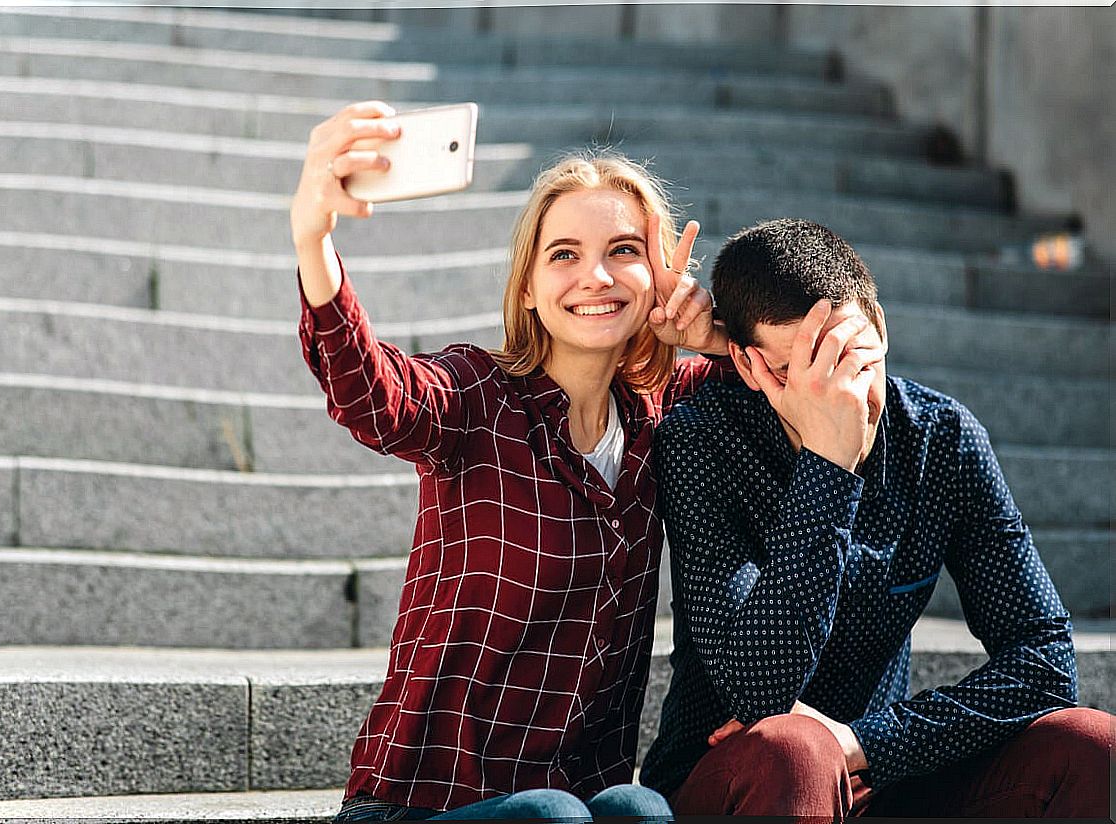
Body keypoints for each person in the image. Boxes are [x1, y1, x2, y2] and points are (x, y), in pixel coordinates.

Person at [290, 101, 735, 820]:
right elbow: (375, 395)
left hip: (585, 800)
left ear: (657, 275)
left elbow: (794, 378)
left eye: (623, 251)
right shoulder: (475, 393)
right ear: (528, 287)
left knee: (641, 810)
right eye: (564, 254)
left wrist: (713, 336)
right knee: (550, 817)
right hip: (423, 803)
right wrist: (314, 241)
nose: (595, 275)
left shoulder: (666, 415)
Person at [640, 218, 1112, 818]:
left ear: (881, 328)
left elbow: (1045, 662)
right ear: (748, 365)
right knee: (796, 751)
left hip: (884, 771)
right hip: (739, 779)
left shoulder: (941, 440)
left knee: (1092, 747)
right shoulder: (702, 440)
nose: (840, 397)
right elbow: (759, 690)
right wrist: (828, 463)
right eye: (798, 374)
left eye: (853, 361)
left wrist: (867, 743)